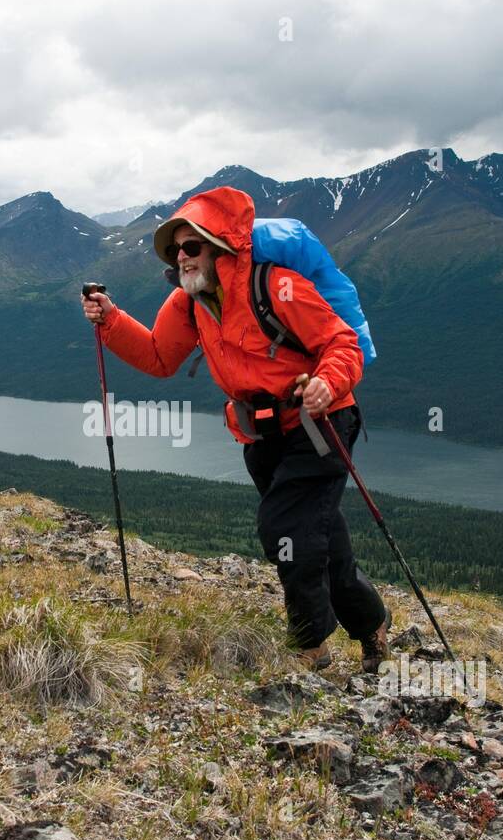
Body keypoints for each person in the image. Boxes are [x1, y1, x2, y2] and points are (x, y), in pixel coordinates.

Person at [80, 186, 390, 671]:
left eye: (192, 246)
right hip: (262, 434)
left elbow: (341, 342)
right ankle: (372, 626)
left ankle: (311, 647)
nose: (182, 257)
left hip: (318, 421)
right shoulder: (190, 302)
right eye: (176, 249)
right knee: (318, 532)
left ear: (220, 246)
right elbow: (161, 357)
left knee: (285, 527)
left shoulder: (278, 287)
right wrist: (112, 320)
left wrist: (327, 384)